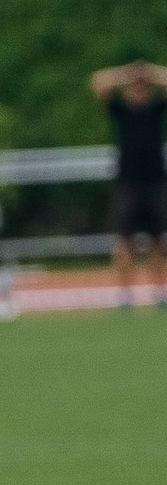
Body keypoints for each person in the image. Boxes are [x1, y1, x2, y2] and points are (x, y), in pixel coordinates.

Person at [89, 58, 167, 306]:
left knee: (158, 242)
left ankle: (160, 292)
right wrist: (127, 74)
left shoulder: (156, 108)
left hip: (154, 183)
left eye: (141, 86)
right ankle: (124, 294)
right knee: (124, 241)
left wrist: (148, 73)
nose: (138, 89)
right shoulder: (121, 110)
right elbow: (98, 82)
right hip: (128, 184)